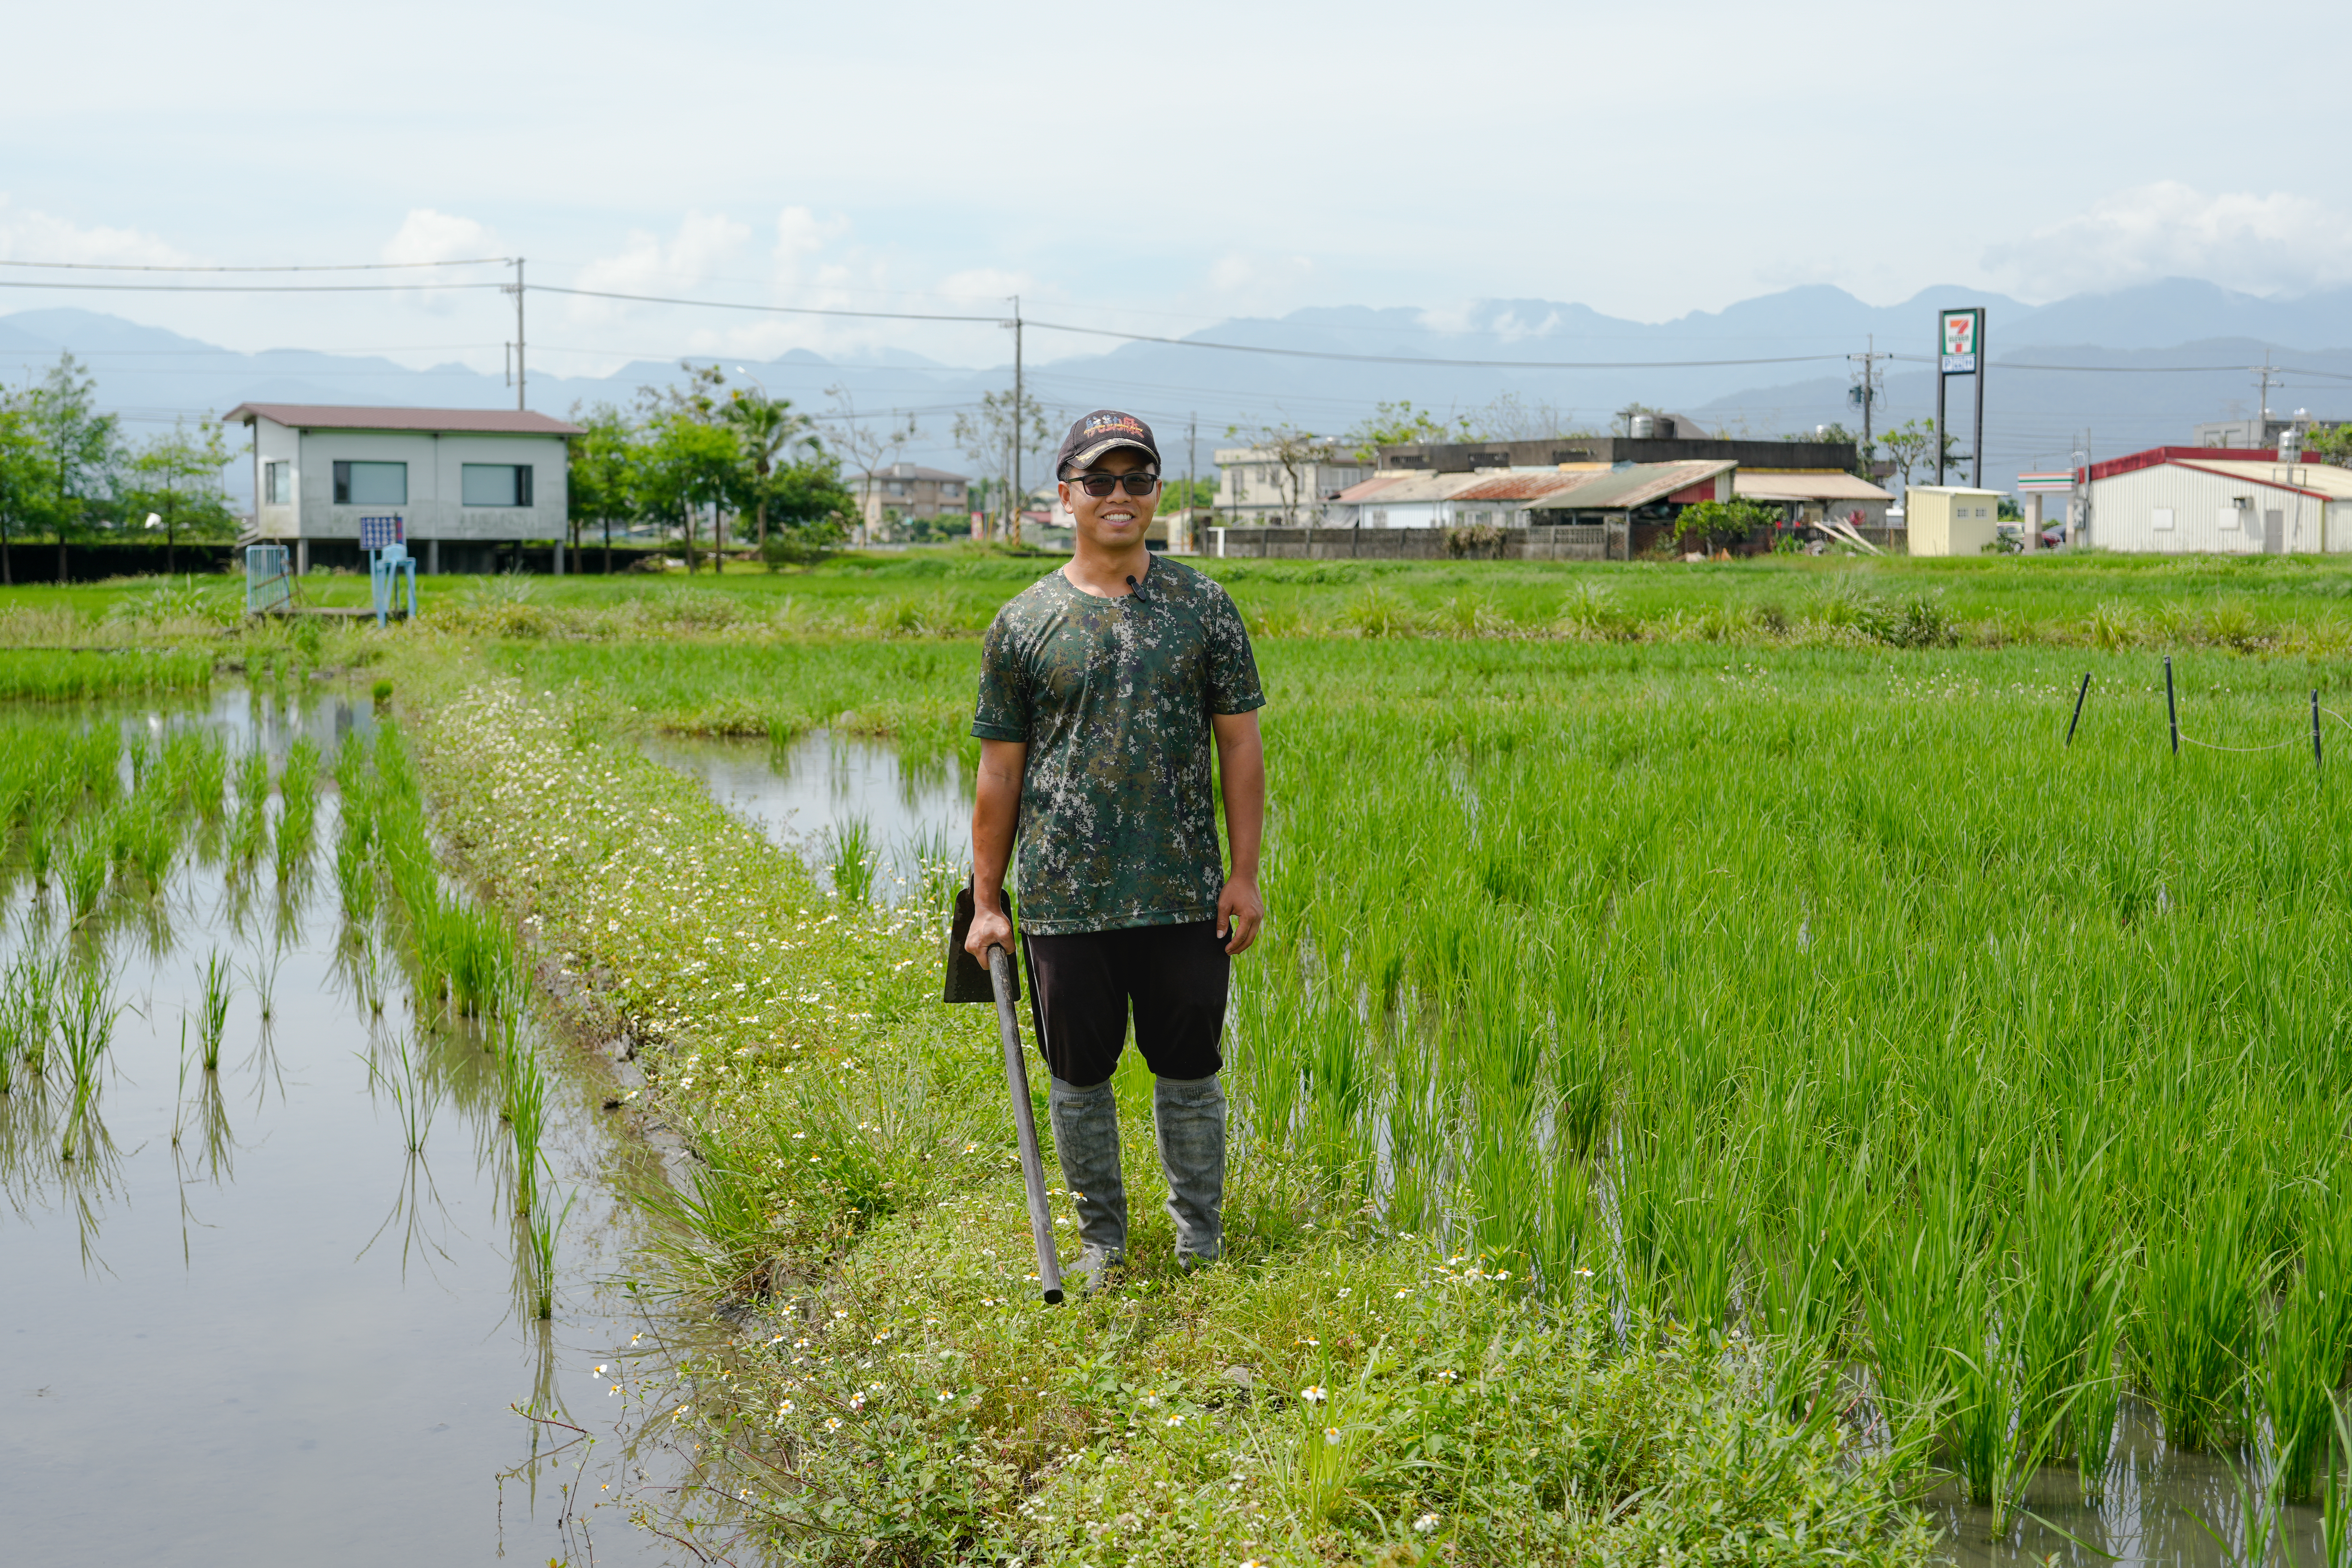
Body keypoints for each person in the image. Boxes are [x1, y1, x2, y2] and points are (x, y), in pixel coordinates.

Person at [964, 409, 1266, 1289]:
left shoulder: (1203, 607)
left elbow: (1240, 746)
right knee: (1078, 1076)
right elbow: (1000, 772)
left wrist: (1243, 876)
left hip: (1181, 890)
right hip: (1065, 898)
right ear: (1067, 496)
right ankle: (1102, 1245)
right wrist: (988, 902)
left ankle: (1200, 1241)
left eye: (1136, 480)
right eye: (1099, 481)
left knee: (1191, 1070)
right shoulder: (1023, 622)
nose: (1119, 496)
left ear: (1157, 493)